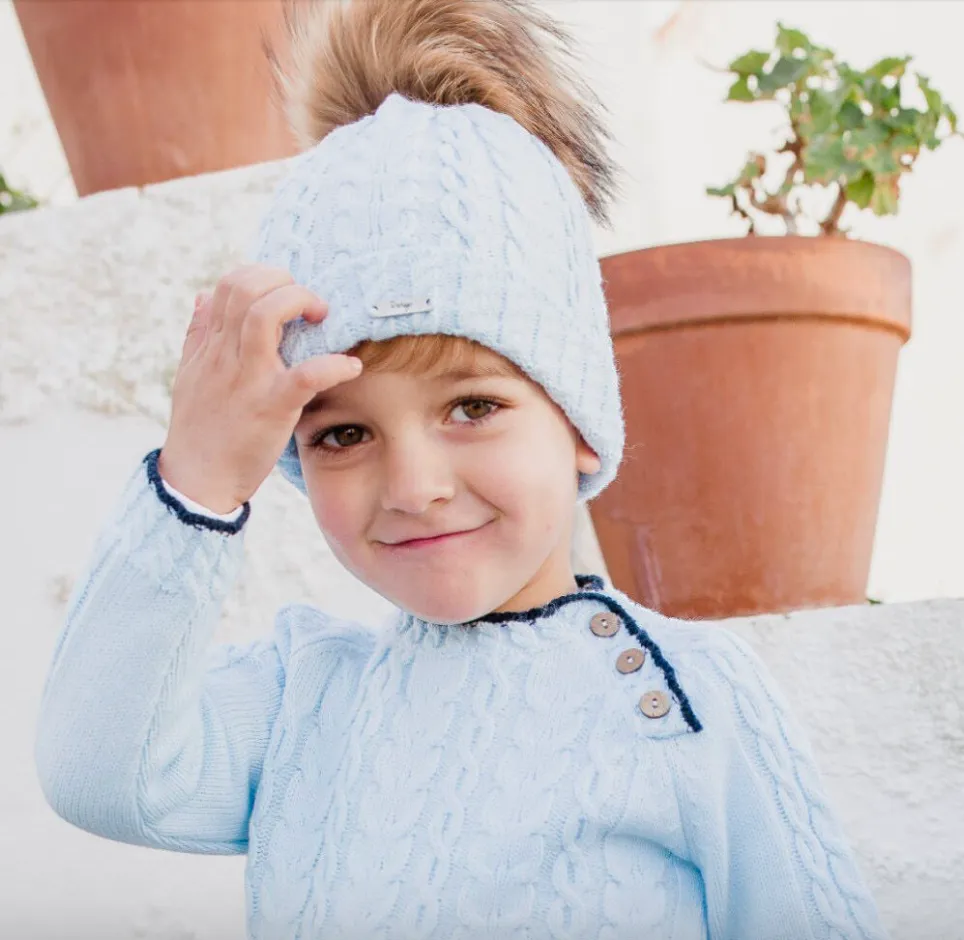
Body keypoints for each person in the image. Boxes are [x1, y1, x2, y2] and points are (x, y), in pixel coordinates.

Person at [34, 1, 888, 937]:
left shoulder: (682, 699)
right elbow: (97, 773)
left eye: (473, 407)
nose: (413, 486)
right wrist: (194, 480)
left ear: (580, 423)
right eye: (342, 435)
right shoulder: (298, 698)